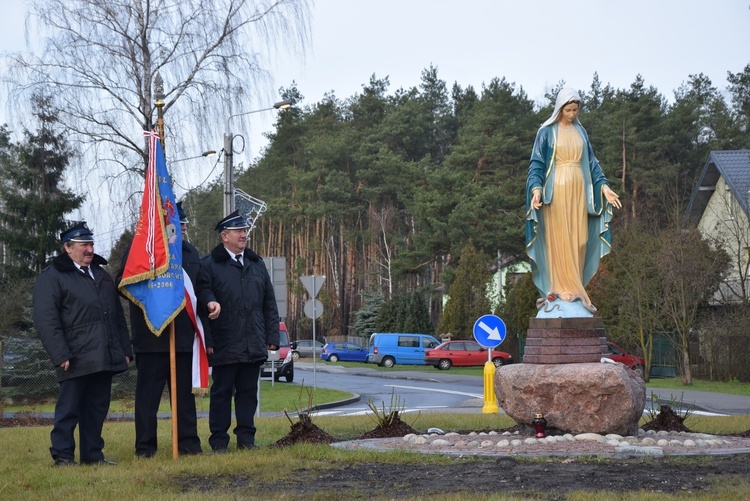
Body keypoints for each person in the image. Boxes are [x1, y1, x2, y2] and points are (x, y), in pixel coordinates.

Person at [33, 222, 133, 466]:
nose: (89, 249)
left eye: (90, 244)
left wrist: (124, 349)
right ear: (68, 248)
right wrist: (60, 354)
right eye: (83, 245)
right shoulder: (52, 277)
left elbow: (116, 315)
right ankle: (63, 456)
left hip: (104, 355)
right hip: (74, 357)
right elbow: (46, 321)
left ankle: (93, 456)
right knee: (69, 410)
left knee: (96, 409)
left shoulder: (101, 275)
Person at [525, 88, 622, 317]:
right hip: (557, 190)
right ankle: (560, 289)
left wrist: (605, 188)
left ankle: (574, 286)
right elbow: (536, 163)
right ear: (559, 109)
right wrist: (536, 189)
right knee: (560, 238)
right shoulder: (547, 132)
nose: (571, 113)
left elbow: (592, 163)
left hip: (579, 190)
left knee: (579, 239)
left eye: (575, 110)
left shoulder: (581, 132)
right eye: (568, 110)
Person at [117, 202, 203, 458]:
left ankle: (188, 445)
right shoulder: (141, 250)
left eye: (184, 224)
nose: (183, 228)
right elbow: (122, 282)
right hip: (151, 338)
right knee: (147, 399)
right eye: (179, 223)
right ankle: (145, 448)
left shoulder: (190, 253)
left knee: (185, 400)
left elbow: (201, 287)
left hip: (183, 338)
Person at [197, 210, 280, 452]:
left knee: (247, 394)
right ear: (225, 236)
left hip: (252, 341)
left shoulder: (256, 263)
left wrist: (272, 337)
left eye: (244, 231)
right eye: (238, 231)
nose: (244, 235)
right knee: (221, 393)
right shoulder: (209, 265)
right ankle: (219, 441)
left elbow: (269, 303)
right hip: (224, 342)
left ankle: (246, 440)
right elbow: (203, 299)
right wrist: (209, 339)